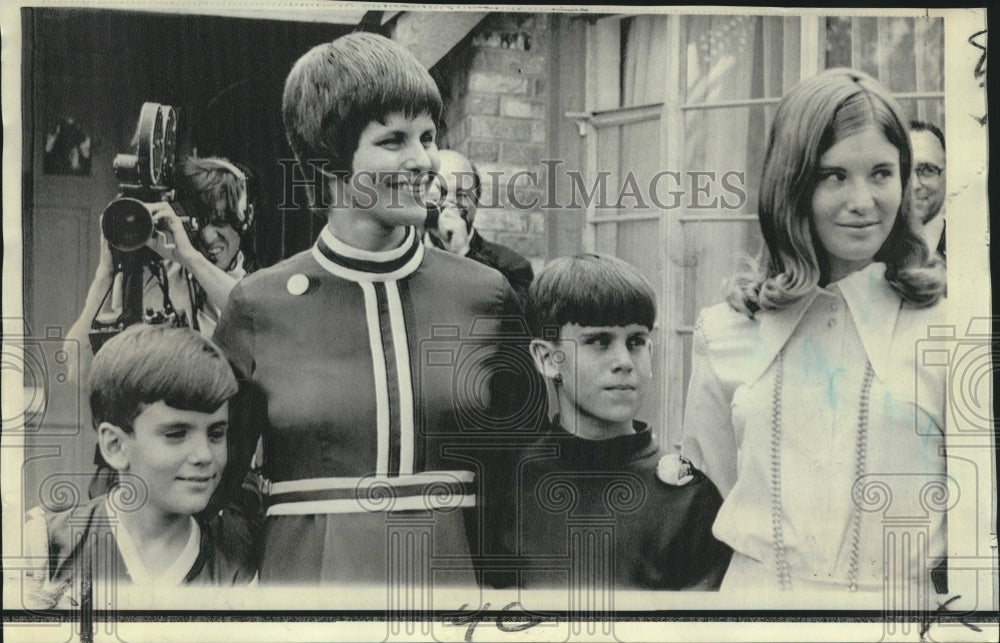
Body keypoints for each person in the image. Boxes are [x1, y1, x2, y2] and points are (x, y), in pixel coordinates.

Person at [213, 32, 543, 586]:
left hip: (454, 589)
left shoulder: (486, 294)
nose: (423, 160)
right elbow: (212, 483)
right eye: (393, 140)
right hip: (305, 597)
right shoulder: (257, 305)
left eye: (429, 137)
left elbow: (528, 473)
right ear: (330, 158)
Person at [680, 68, 947, 594]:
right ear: (792, 182)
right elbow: (718, 481)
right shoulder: (725, 331)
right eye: (834, 176)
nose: (863, 200)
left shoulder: (951, 331)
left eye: (881, 173)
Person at [510, 253, 731, 590]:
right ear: (548, 358)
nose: (624, 362)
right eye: (598, 341)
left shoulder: (688, 499)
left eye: (636, 342)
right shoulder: (510, 485)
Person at [23, 324, 257, 608]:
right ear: (115, 446)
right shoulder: (45, 546)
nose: (204, 455)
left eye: (216, 434)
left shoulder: (236, 566)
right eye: (176, 434)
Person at [65, 156, 253, 383]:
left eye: (221, 222)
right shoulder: (155, 278)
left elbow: (248, 316)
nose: (209, 236)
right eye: (198, 223)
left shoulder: (254, 289)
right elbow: (78, 372)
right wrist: (105, 273)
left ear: (247, 217)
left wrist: (191, 259)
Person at [424, 149, 534, 302]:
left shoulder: (513, 267)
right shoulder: (403, 255)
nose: (450, 204)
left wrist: (463, 254)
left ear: (475, 204)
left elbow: (511, 322)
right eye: (441, 192)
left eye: (462, 195)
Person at [909, 120, 946, 259]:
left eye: (926, 170)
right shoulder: (873, 250)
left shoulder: (969, 244)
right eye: (904, 170)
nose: (914, 185)